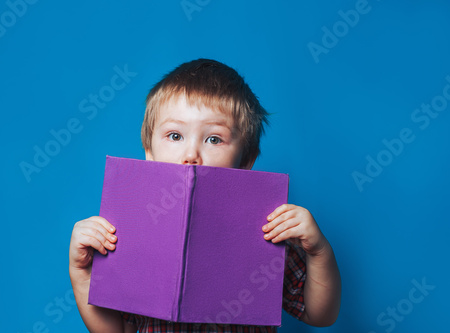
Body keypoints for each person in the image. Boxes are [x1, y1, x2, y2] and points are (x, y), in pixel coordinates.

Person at [69, 58, 341, 332]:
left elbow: (319, 315)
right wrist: (82, 274)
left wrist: (318, 251)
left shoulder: (268, 229)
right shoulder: (128, 230)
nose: (191, 155)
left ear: (246, 160)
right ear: (149, 152)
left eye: (213, 139)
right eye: (175, 136)